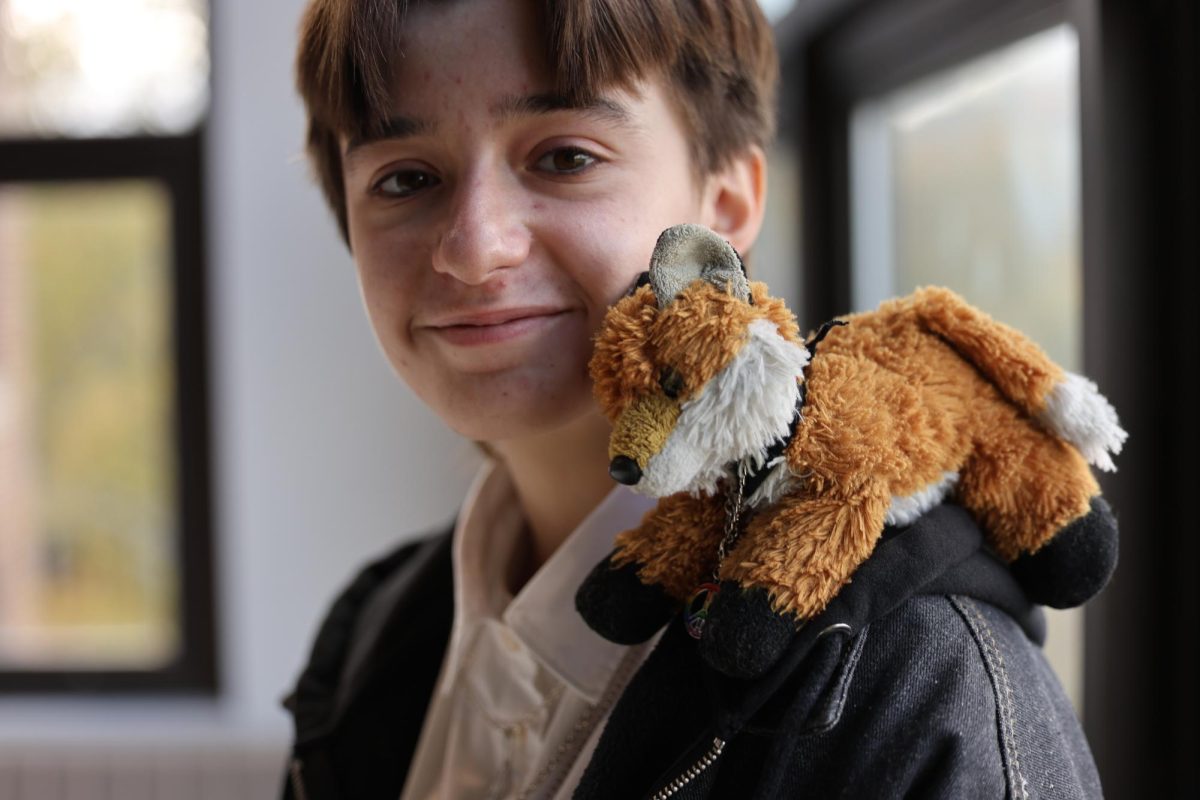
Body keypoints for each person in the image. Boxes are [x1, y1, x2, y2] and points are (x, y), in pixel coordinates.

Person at [281, 1, 1111, 798]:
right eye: (405, 179)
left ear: (727, 202)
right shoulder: (369, 635)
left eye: (565, 157)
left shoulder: (917, 691)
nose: (473, 248)